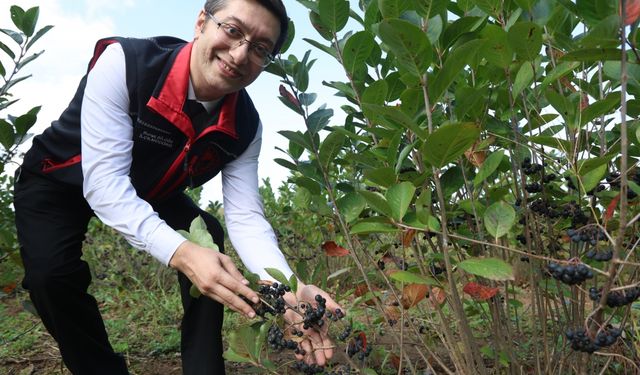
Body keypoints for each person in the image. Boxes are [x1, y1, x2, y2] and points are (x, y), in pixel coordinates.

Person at [13, 0, 341, 374]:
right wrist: (181, 254)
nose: (239, 54)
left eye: (260, 48)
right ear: (202, 21)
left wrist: (289, 287)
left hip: (150, 191)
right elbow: (105, 184)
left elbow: (246, 218)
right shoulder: (126, 64)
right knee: (51, 277)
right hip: (60, 178)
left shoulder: (246, 126)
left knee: (208, 237)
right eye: (232, 30)